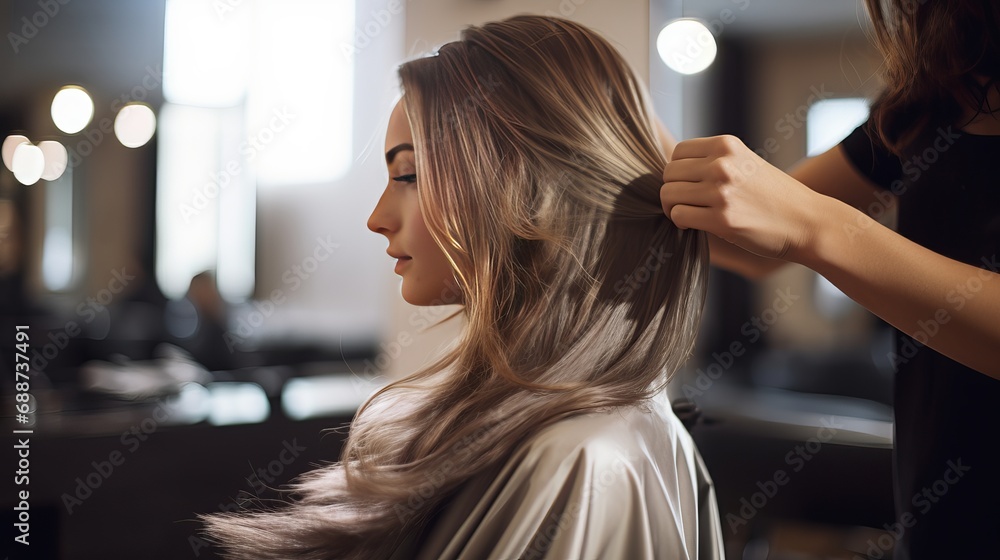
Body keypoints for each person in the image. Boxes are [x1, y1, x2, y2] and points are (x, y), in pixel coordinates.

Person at [202, 15, 724, 559]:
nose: (376, 218)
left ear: (523, 187)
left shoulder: (582, 462)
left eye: (408, 175)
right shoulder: (571, 441)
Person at [660, 1, 999, 558]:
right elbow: (747, 241)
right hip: (936, 509)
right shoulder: (933, 100)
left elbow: (803, 221)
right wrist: (612, 126)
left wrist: (818, 227)